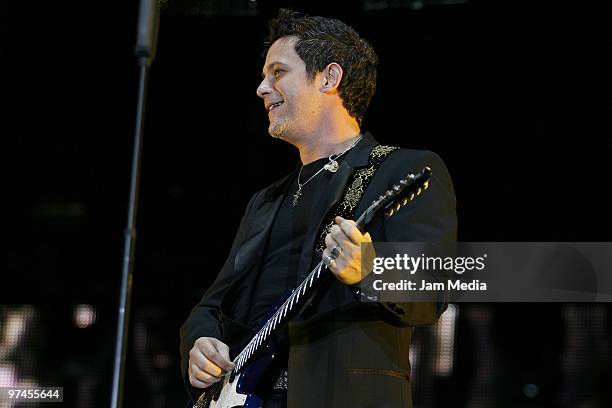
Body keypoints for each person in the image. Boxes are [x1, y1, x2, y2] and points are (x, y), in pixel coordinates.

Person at [180, 8, 457, 408]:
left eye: (277, 72)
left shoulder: (406, 169)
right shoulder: (266, 200)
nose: (261, 88)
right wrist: (200, 342)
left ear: (329, 77)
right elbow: (212, 305)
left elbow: (432, 289)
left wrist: (370, 270)